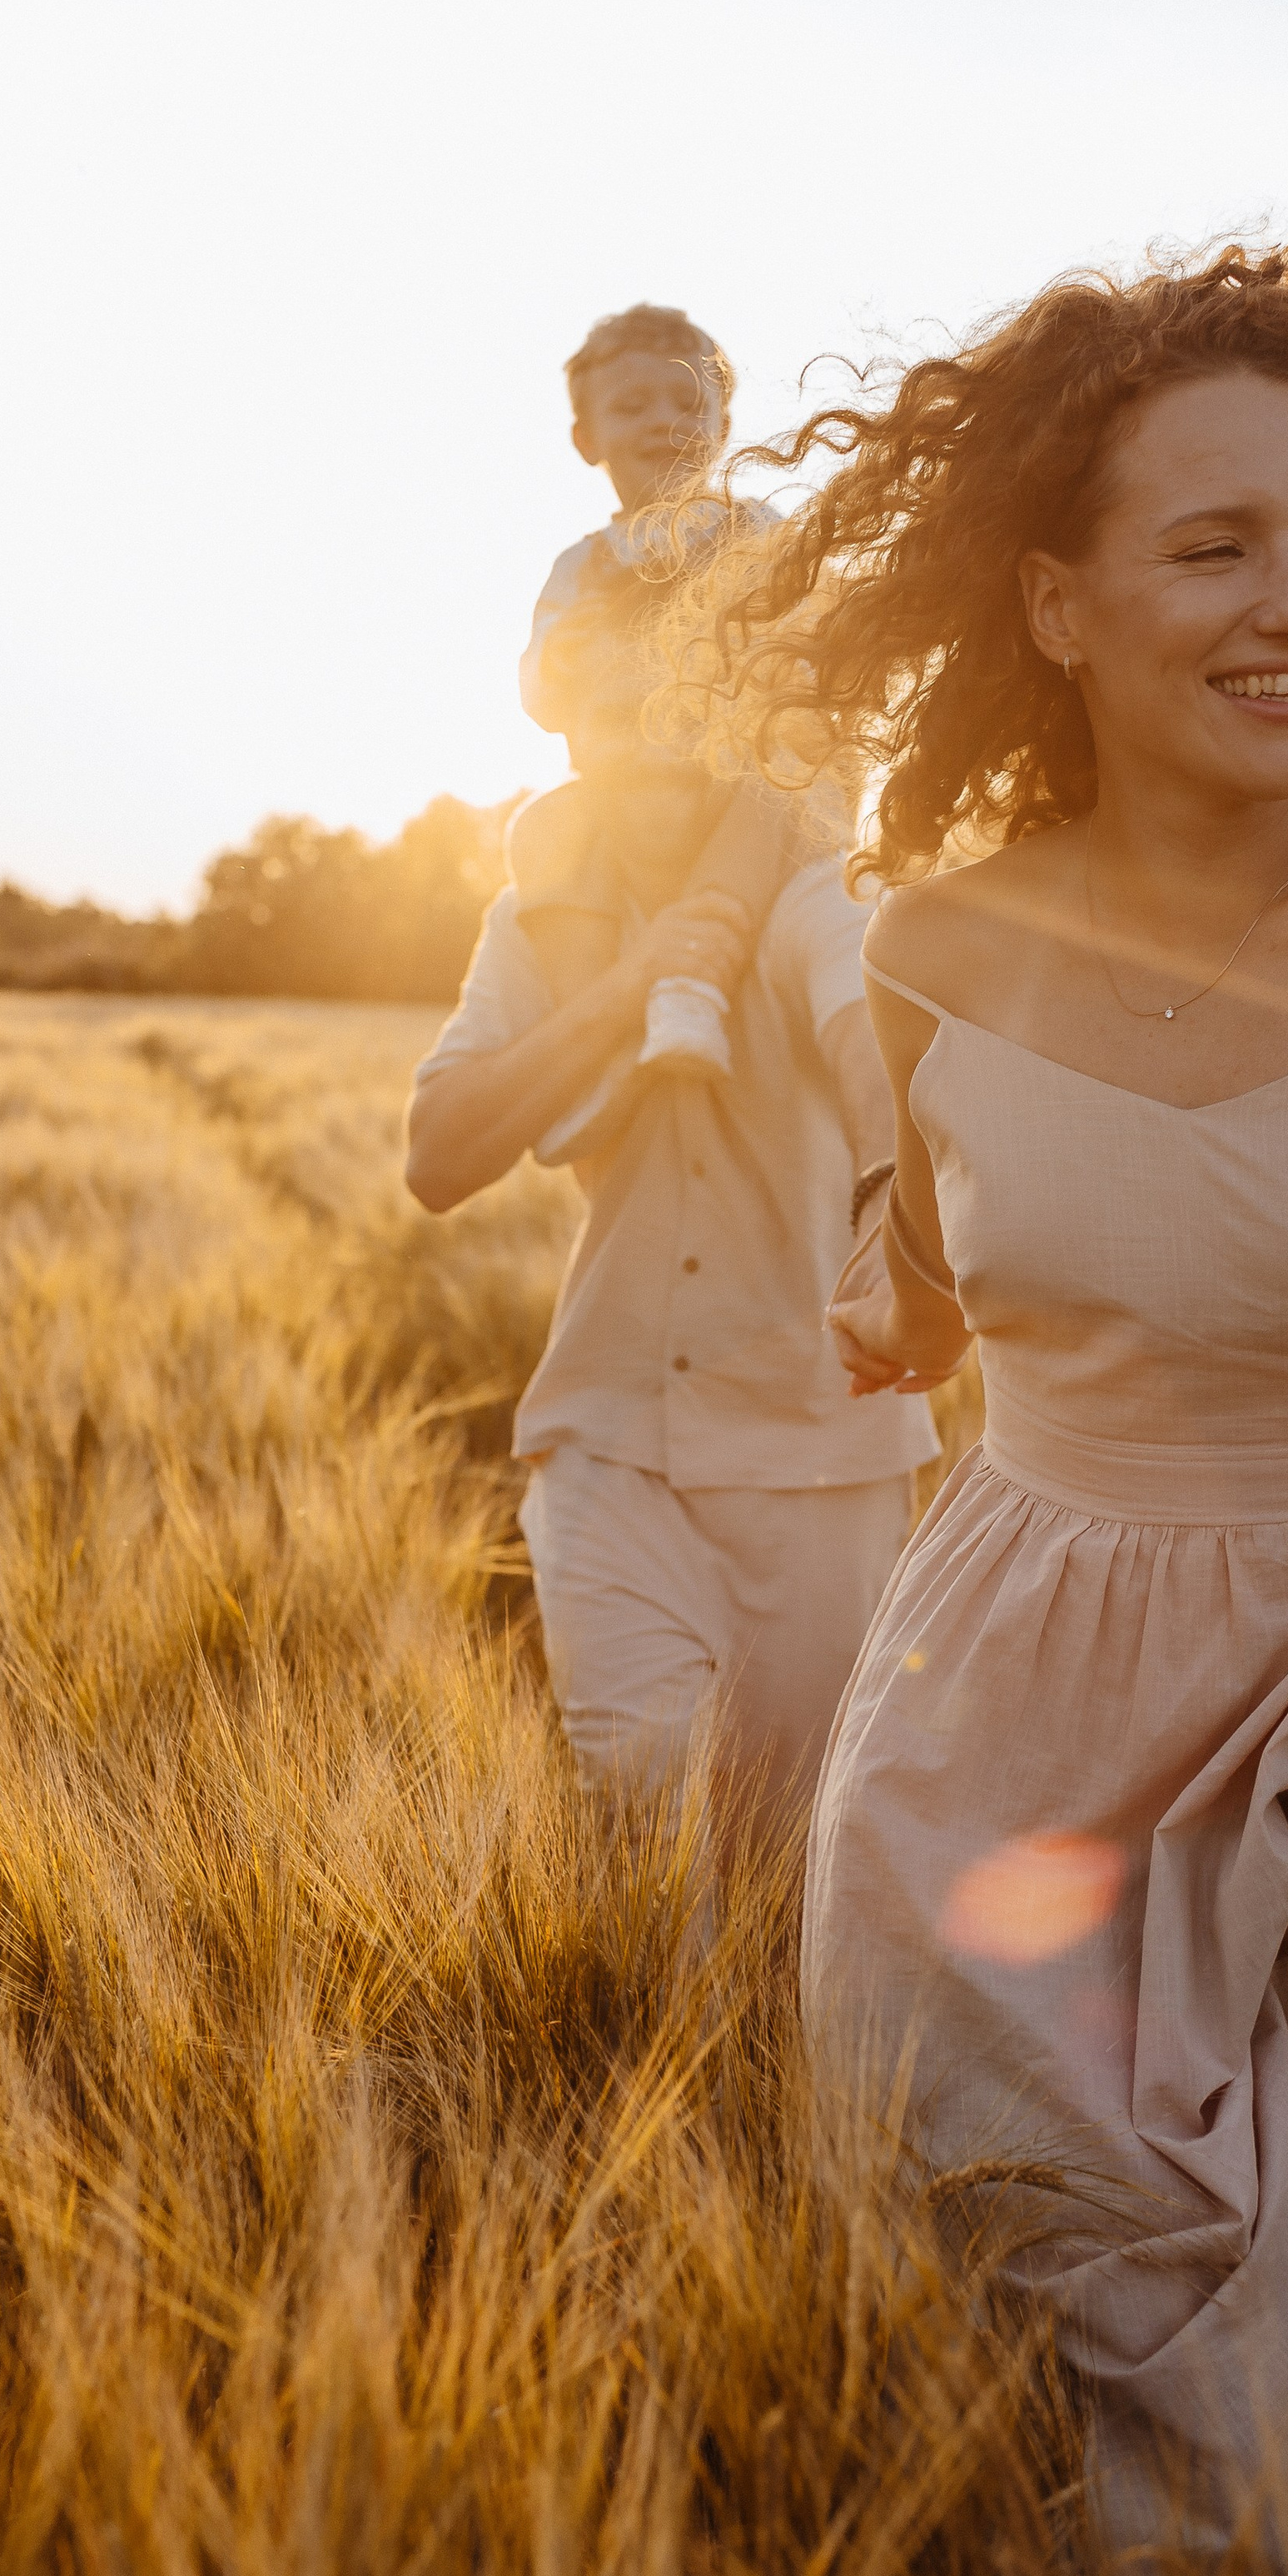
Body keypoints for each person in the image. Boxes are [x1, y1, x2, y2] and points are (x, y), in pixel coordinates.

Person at [704, 242, 1288, 2554]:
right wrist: (887, 1298)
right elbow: (928, 1273)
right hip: (984, 1728)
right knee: (1012, 2354)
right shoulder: (931, 945)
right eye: (1215, 544)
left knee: (1252, 2407)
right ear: (1056, 603)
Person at [406, 581, 937, 1806]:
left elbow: (869, 1040)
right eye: (612, 718)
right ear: (568, 738)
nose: (647, 748)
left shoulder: (816, 887)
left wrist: (884, 1203)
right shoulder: (541, 920)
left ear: (729, 726)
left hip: (819, 1456)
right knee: (647, 1795)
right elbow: (438, 1155)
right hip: (607, 1442)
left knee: (794, 1846)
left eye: (678, 716)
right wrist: (634, 982)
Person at [511, 305, 802, 1156]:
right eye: (633, 408)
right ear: (585, 438)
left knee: (775, 803)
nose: (664, 424)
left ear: (722, 427)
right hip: (625, 803)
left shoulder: (760, 536)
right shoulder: (579, 569)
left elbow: (810, 654)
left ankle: (687, 988)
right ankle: (589, 1037)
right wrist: (571, 657)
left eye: (687, 405)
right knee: (545, 828)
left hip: (730, 791)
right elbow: (538, 696)